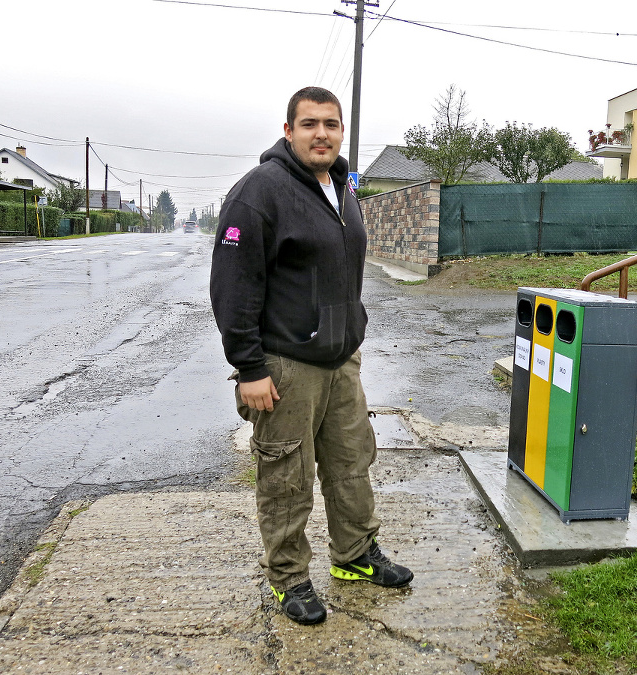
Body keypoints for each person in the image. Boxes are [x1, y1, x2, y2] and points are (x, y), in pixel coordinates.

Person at [210, 86, 412, 626]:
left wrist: (352, 334)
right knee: (287, 476)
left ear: (342, 132)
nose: (321, 133)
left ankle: (355, 556)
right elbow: (233, 285)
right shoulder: (260, 191)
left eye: (331, 123)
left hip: (340, 360)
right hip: (285, 365)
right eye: (309, 124)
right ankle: (289, 577)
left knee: (351, 463)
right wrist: (249, 368)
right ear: (288, 131)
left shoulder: (343, 188)